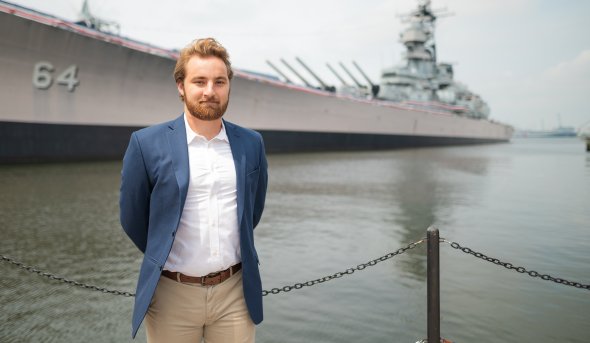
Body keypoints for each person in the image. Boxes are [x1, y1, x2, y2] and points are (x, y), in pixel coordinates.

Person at [119, 37, 268, 342]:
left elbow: (252, 211)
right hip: (171, 294)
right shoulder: (146, 144)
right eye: (199, 81)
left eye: (219, 81)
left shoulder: (252, 144)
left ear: (229, 86)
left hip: (235, 293)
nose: (210, 91)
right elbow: (132, 217)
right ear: (181, 86)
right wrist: (163, 252)